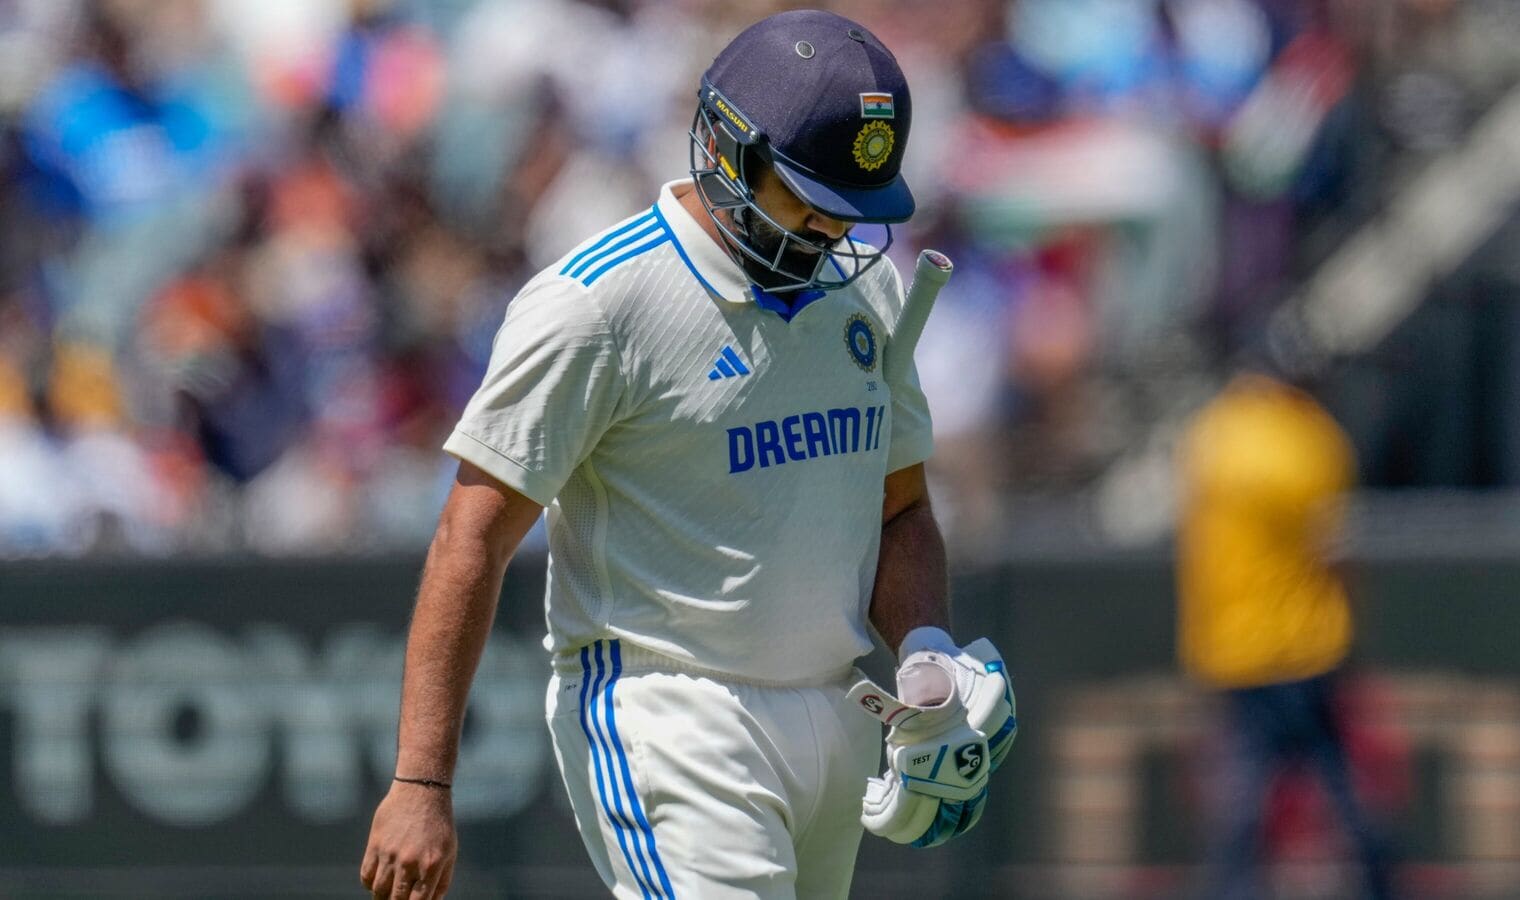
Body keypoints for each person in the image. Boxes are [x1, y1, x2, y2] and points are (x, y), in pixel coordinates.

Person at [360, 11, 1016, 899]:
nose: (828, 234)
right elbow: (469, 537)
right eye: (806, 200)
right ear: (725, 146)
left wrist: (927, 654)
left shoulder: (868, 291)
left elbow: (899, 507)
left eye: (848, 211)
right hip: (669, 711)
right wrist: (421, 782)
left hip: (833, 705)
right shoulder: (597, 303)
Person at [1176, 359, 1394, 900]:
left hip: (1232, 649)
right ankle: (1381, 887)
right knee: (1346, 794)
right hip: (1305, 648)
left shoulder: (1213, 432)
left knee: (1242, 804)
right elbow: (1337, 552)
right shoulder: (1310, 438)